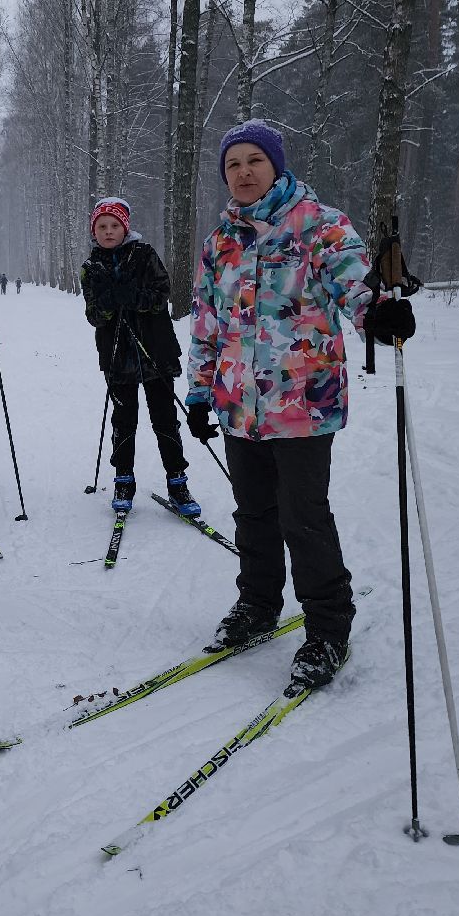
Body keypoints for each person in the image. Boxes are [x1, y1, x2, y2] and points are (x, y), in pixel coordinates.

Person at [185, 120, 415, 692]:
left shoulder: (319, 225)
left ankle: (328, 627)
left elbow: (355, 283)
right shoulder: (219, 244)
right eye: (233, 164)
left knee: (303, 517)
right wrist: (200, 390)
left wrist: (378, 314)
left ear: (276, 165)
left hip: (303, 405)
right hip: (239, 406)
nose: (243, 172)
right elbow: (207, 323)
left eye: (254, 161)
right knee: (253, 514)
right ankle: (258, 605)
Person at [79, 196, 198, 517]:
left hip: (156, 352)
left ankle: (177, 482)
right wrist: (108, 302)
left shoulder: (145, 255)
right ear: (94, 231)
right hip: (117, 356)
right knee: (124, 421)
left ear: (125, 228)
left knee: (165, 420)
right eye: (102, 226)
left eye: (114, 225)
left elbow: (162, 294)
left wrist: (133, 297)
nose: (108, 231)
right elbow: (94, 315)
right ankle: (124, 480)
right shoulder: (91, 267)